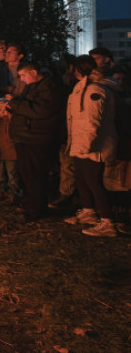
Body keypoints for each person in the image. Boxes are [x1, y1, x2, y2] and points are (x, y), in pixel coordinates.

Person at [0, 60, 63, 220]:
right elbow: (25, 105)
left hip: (36, 137)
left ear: (33, 72)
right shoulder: (32, 86)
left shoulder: (49, 88)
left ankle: (36, 209)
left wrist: (14, 103)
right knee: (27, 173)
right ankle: (30, 203)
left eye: (23, 75)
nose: (21, 79)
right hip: (25, 136)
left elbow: (39, 110)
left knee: (35, 174)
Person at [64, 55, 119, 237]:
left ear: (79, 71)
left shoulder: (93, 90)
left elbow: (92, 121)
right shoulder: (83, 89)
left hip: (94, 145)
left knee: (93, 181)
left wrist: (86, 145)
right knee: (81, 178)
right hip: (82, 143)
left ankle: (107, 222)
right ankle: (89, 212)